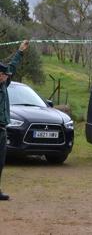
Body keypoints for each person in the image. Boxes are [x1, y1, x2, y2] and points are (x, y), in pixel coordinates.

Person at [0, 40, 29, 200]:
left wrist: (20, 51)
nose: (7, 76)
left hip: (3, 130)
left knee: (0, 163)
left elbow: (11, 67)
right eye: (4, 75)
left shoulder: (4, 84)